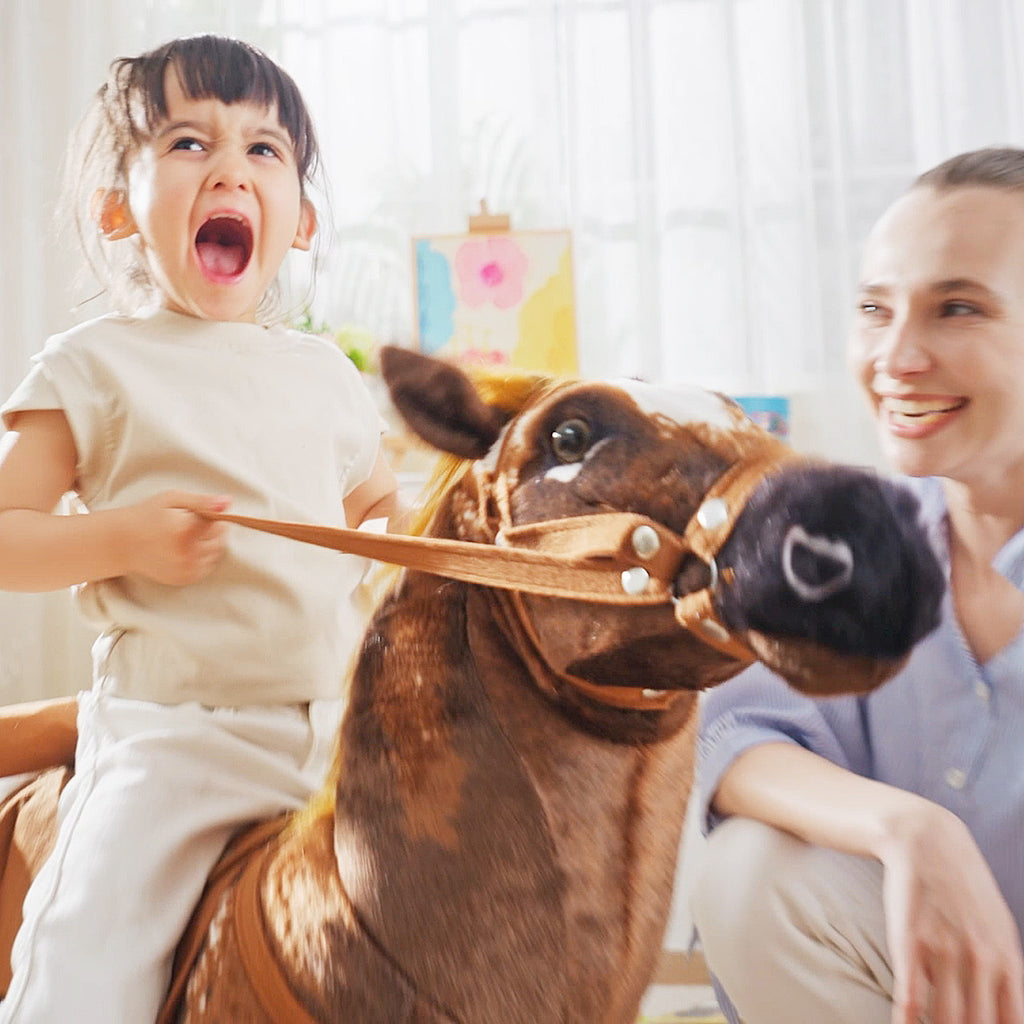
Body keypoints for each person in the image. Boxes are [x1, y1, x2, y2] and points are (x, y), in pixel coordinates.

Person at [0, 35, 399, 1022]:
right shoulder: (92, 364)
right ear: (118, 210)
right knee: (84, 970)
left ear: (301, 221)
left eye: (264, 149)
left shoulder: (324, 374)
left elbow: (381, 512)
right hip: (174, 737)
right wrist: (125, 539)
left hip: (340, 734)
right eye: (189, 143)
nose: (229, 169)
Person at [691, 146, 1024, 1024]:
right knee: (749, 872)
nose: (896, 356)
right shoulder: (847, 539)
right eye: (875, 309)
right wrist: (913, 831)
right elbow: (731, 734)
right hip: (916, 992)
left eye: (958, 308)